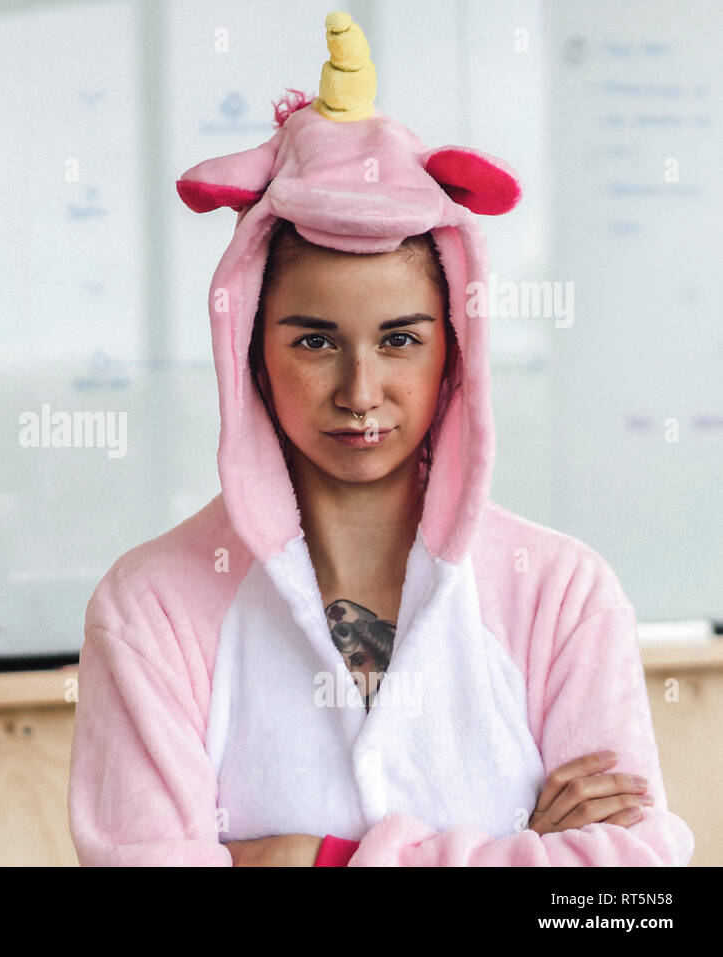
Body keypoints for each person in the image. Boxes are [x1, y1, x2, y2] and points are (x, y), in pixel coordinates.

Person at [66, 11, 694, 866]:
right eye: (315, 340)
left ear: (454, 352)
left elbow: (623, 899)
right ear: (250, 350)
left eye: (400, 339)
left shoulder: (562, 595)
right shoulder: (152, 608)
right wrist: (520, 850)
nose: (362, 393)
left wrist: (304, 858)